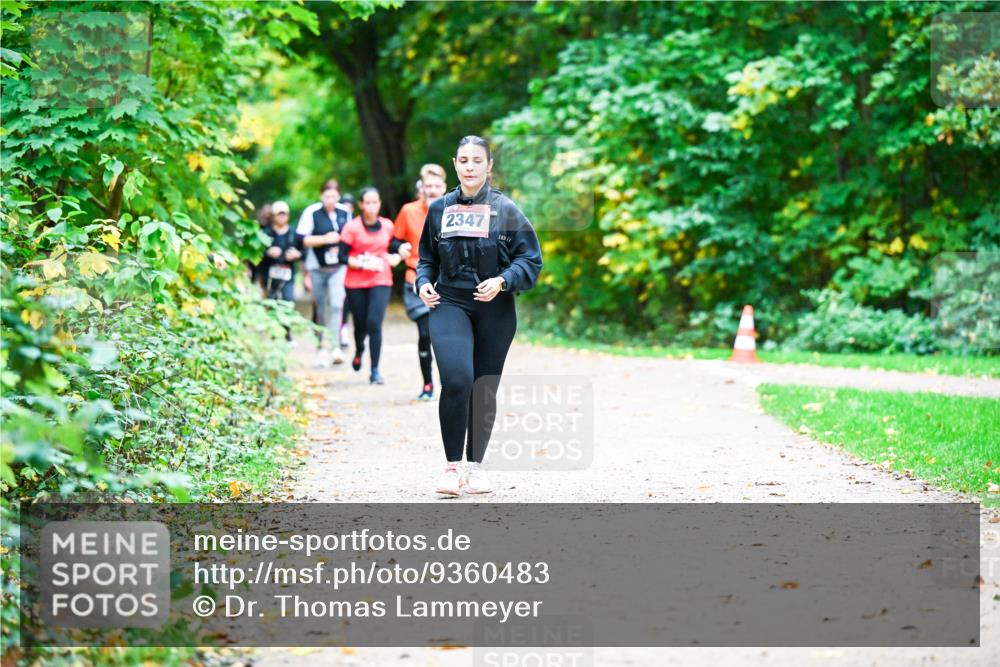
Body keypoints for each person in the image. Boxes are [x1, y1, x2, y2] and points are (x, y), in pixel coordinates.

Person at [416, 135, 542, 497]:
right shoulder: (439, 209)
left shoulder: (506, 209)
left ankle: (475, 468)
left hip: (494, 309)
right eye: (463, 160)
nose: (469, 167)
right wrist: (423, 282)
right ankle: (452, 468)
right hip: (449, 303)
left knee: (483, 388)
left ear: (489, 166)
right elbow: (426, 259)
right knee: (457, 380)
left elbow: (530, 259)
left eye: (477, 160)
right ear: (454, 164)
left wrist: (503, 281)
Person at [340, 187, 407, 385]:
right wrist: (361, 264)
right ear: (361, 205)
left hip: (381, 279)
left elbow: (394, 244)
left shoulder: (387, 225)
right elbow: (341, 256)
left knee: (374, 323)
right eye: (367, 203)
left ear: (379, 204)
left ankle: (375, 370)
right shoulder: (352, 228)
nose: (371, 207)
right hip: (355, 282)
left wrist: (400, 250)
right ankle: (359, 349)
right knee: (360, 324)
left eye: (375, 202)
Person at [395, 164, 447, 400]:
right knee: (426, 334)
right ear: (422, 188)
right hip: (416, 279)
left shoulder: (455, 210)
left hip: (447, 282)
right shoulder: (408, 211)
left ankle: (450, 383)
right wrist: (400, 247)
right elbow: (394, 240)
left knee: (446, 336)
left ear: (444, 187)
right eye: (428, 186)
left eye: (437, 186)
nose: (433, 190)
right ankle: (427, 384)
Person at [296, 180, 351, 367]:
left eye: (334, 196)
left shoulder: (345, 212)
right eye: (327, 196)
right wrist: (325, 239)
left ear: (338, 196)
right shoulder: (311, 212)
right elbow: (301, 240)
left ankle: (335, 347)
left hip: (338, 267)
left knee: (336, 305)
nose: (330, 200)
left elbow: (350, 236)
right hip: (317, 267)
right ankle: (321, 347)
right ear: (321, 196)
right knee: (320, 307)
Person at [261, 201, 302, 340]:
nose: (281, 217)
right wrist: (268, 252)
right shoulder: (265, 233)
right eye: (279, 214)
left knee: (288, 301)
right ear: (273, 216)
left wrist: (297, 254)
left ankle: (286, 332)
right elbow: (257, 254)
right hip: (269, 274)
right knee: (271, 302)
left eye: (284, 214)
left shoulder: (293, 233)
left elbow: (304, 252)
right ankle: (273, 332)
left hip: (288, 274)